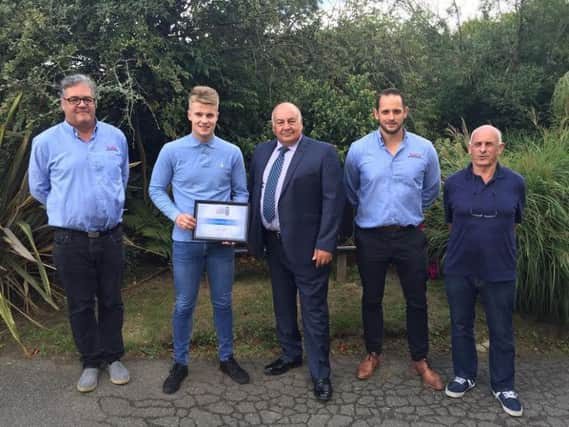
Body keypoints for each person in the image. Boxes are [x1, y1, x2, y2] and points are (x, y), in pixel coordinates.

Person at [28, 74, 130, 393]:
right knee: (81, 304)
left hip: (111, 236)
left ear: (95, 102)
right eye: (74, 99)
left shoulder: (116, 137)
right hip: (70, 240)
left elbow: (122, 178)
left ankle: (113, 356)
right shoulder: (45, 143)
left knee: (112, 300)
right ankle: (89, 361)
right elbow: (39, 188)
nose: (82, 104)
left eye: (87, 99)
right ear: (63, 103)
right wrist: (68, 209)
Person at [149, 85, 250, 394]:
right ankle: (180, 362)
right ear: (189, 114)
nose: (204, 120)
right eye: (199, 114)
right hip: (185, 241)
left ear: (217, 116)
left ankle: (226, 357)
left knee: (222, 301)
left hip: (221, 243)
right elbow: (155, 189)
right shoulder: (172, 151)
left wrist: (236, 227)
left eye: (210, 115)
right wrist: (176, 215)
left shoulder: (231, 152)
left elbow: (241, 193)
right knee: (183, 303)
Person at [344, 88, 443, 390]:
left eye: (396, 111)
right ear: (376, 114)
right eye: (385, 111)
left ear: (405, 112)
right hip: (371, 236)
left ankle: (420, 358)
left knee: (417, 300)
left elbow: (431, 190)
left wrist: (407, 210)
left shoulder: (424, 149)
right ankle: (373, 352)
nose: (391, 117)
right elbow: (351, 190)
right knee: (371, 298)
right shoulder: (359, 150)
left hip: (409, 235)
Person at [248, 102, 345, 402]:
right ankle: (290, 354)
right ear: (272, 124)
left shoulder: (323, 153)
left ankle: (320, 374)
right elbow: (255, 192)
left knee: (314, 312)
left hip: (310, 248)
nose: (286, 127)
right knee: (283, 304)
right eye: (280, 122)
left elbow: (334, 200)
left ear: (301, 122)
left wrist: (327, 242)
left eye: (292, 121)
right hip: (273, 243)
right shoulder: (262, 152)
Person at [443, 125, 525, 417]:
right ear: (469, 148)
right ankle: (464, 374)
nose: (482, 149)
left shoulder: (515, 183)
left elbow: (514, 220)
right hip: (460, 267)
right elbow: (451, 220)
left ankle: (503, 385)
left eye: (489, 144)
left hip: (499, 268)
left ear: (500, 148)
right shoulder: (453, 183)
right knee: (461, 324)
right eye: (477, 144)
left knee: (501, 329)